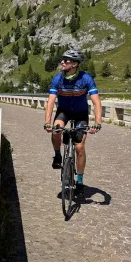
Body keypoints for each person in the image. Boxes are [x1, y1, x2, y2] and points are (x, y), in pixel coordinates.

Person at [43, 49, 102, 195]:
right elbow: (50, 102)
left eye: (66, 60)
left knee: (79, 147)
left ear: (75, 64)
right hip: (64, 111)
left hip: (81, 113)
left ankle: (80, 181)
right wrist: (47, 122)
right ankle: (57, 154)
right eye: (62, 60)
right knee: (57, 130)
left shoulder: (86, 78)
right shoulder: (57, 79)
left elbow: (96, 102)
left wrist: (98, 122)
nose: (62, 62)